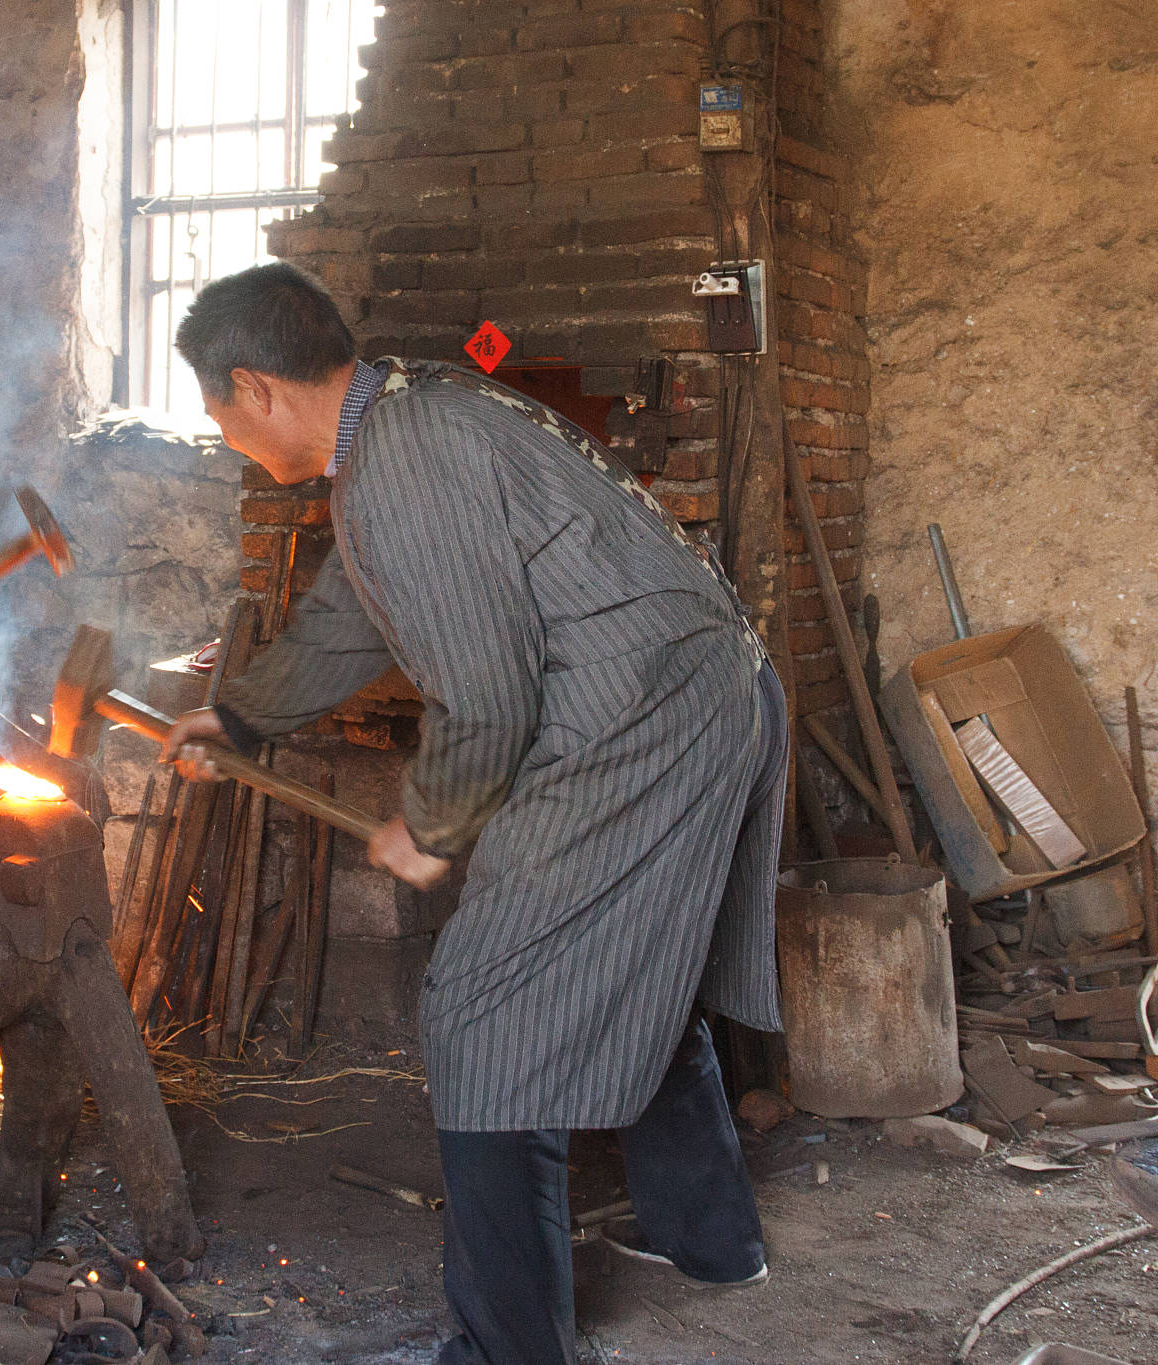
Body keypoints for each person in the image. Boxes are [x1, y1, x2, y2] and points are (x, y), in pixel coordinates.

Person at [162, 263, 786, 1364]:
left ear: (253, 386)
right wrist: (244, 721)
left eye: (216, 413)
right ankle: (712, 1241)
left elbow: (487, 695)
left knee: (481, 1002)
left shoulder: (402, 455)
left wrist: (435, 820)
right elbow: (358, 609)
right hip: (691, 690)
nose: (222, 439)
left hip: (637, 719)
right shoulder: (404, 415)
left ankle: (510, 1346)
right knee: (631, 964)